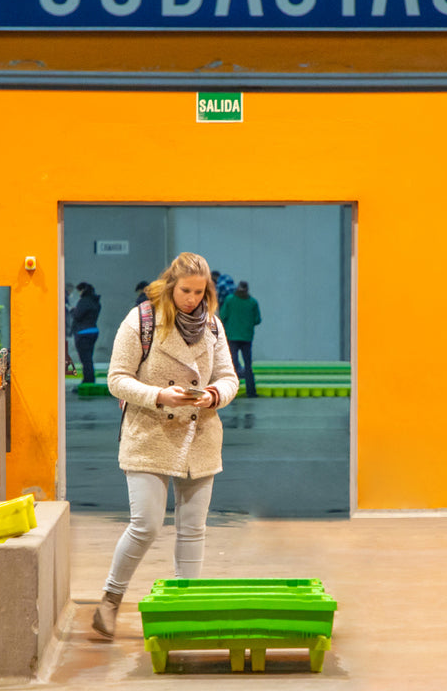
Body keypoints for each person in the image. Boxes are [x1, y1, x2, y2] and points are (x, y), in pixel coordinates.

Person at [92, 252, 240, 639]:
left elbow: (229, 377)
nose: (192, 299)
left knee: (193, 529)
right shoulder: (141, 320)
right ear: (170, 286)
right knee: (146, 525)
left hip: (201, 436)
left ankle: (185, 606)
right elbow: (117, 379)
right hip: (149, 433)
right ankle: (110, 600)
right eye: (185, 290)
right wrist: (160, 395)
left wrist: (212, 395)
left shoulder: (213, 326)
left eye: (200, 292)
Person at [218, 280, 262, 398]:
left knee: (232, 364)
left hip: (232, 336)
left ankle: (233, 391)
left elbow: (222, 316)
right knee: (248, 365)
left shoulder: (230, 300)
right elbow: (257, 320)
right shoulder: (252, 302)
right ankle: (251, 391)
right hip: (247, 337)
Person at [70, 281, 102, 385]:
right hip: (93, 331)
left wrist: (72, 310)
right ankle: (89, 379)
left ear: (83, 290)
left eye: (80, 290)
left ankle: (88, 381)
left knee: (85, 359)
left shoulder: (84, 301)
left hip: (83, 333)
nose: (79, 293)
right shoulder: (95, 302)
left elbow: (78, 316)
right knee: (88, 357)